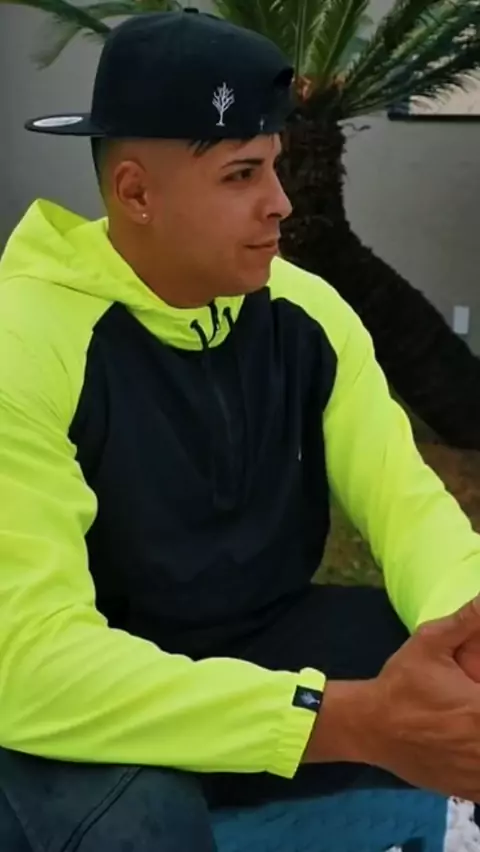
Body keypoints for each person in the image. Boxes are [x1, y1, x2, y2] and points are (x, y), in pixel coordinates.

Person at [2, 8, 480, 851]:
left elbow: (407, 507)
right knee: (140, 821)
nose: (280, 204)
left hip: (259, 640)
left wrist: (466, 628)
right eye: (241, 175)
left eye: (277, 167)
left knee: (464, 670)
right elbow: (28, 661)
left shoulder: (307, 313)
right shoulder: (25, 343)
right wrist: (338, 719)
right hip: (87, 688)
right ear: (136, 194)